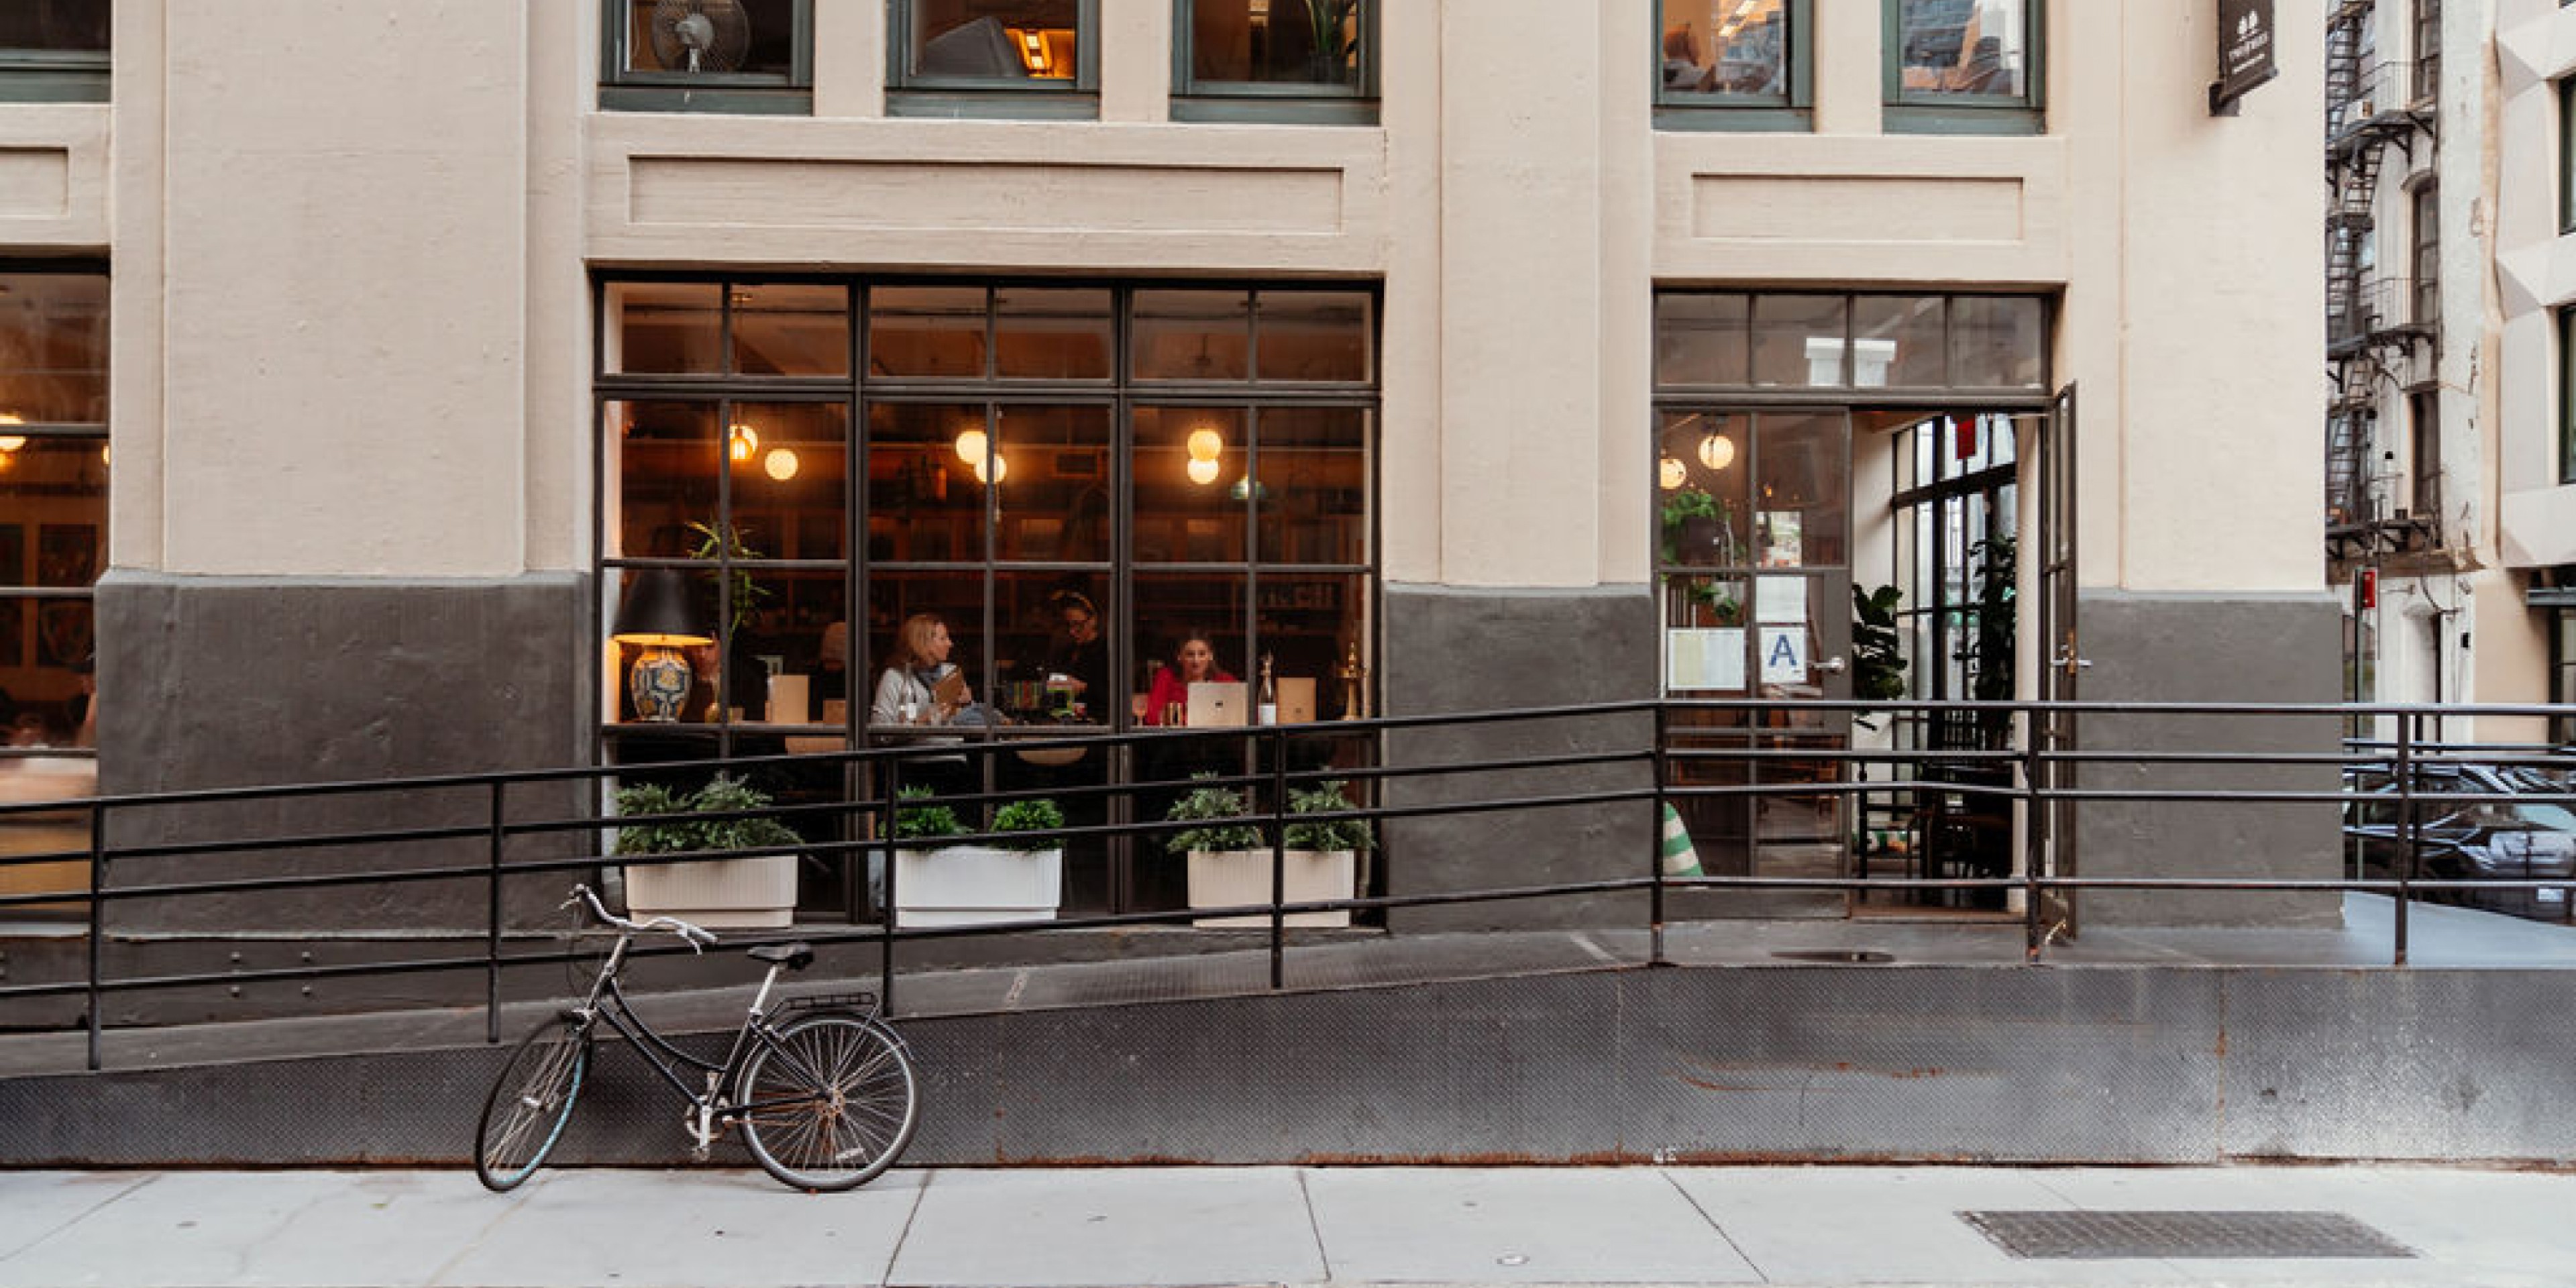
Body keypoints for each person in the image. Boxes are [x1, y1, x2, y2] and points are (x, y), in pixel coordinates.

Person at [1142, 629, 1238, 727]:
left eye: (1202, 654)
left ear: (1210, 656)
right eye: (1190, 655)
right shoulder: (1166, 676)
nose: (1196, 661)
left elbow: (1241, 715)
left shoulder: (1224, 680)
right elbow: (1152, 717)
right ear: (1179, 657)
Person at [1040, 590, 1106, 719]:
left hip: (1100, 724)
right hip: (1069, 722)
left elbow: (1115, 696)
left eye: (1078, 624)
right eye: (1068, 625)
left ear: (1093, 620)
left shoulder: (1107, 651)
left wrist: (1083, 687)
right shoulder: (1067, 651)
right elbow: (1054, 691)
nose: (1072, 631)